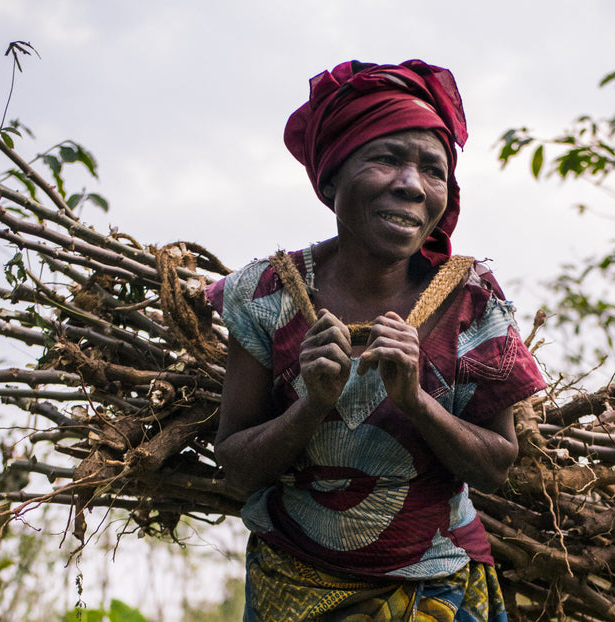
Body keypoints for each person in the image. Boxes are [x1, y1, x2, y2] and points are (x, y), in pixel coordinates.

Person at [207, 60, 546, 621]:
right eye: (386, 158)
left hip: (441, 592)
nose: (411, 185)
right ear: (332, 177)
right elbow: (238, 467)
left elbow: (497, 467)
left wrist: (416, 400)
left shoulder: (470, 298)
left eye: (433, 171)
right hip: (294, 588)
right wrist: (312, 404)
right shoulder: (266, 293)